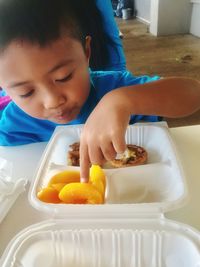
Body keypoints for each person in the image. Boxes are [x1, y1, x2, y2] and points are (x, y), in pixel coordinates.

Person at [0, 0, 199, 182]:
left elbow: (193, 93)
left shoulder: (114, 87)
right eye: (26, 92)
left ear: (86, 52)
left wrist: (122, 101)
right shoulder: (14, 125)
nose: (53, 101)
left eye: (64, 77)